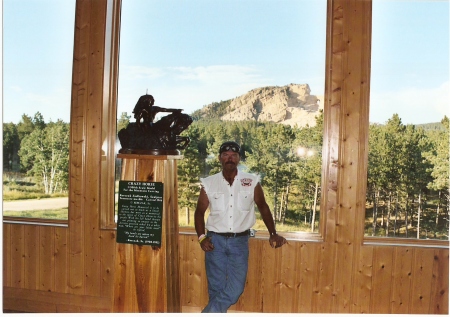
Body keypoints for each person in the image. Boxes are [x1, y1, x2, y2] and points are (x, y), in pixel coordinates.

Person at [194, 141, 287, 313]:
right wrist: (202, 238)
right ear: (220, 158)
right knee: (216, 287)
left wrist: (273, 233)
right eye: (226, 155)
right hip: (214, 242)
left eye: (233, 155)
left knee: (236, 289)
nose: (230, 158)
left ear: (238, 158)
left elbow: (263, 207)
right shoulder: (209, 183)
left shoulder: (251, 181)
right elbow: (199, 212)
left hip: (239, 242)